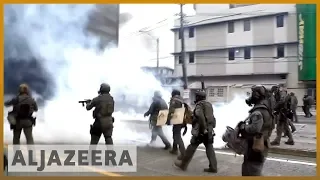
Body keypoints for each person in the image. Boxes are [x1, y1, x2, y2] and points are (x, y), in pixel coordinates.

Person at [174, 90, 217, 173]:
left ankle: (183, 165)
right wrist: (210, 129)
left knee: (191, 147)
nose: (195, 98)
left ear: (198, 97)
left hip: (201, 131)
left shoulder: (199, 105)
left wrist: (203, 129)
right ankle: (213, 167)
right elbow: (212, 118)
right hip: (209, 130)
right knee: (209, 148)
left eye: (197, 96)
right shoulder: (209, 104)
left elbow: (200, 117)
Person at [239, 85, 274, 176]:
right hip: (262, 143)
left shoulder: (258, 111)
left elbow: (255, 128)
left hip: (255, 146)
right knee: (252, 169)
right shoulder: (267, 108)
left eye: (252, 94)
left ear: (256, 96)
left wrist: (243, 127)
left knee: (252, 170)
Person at [166, 89, 186, 159]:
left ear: (173, 94)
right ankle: (174, 149)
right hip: (181, 120)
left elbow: (171, 111)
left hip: (177, 120)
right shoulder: (182, 100)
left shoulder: (175, 100)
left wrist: (168, 120)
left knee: (177, 136)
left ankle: (183, 153)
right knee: (175, 134)